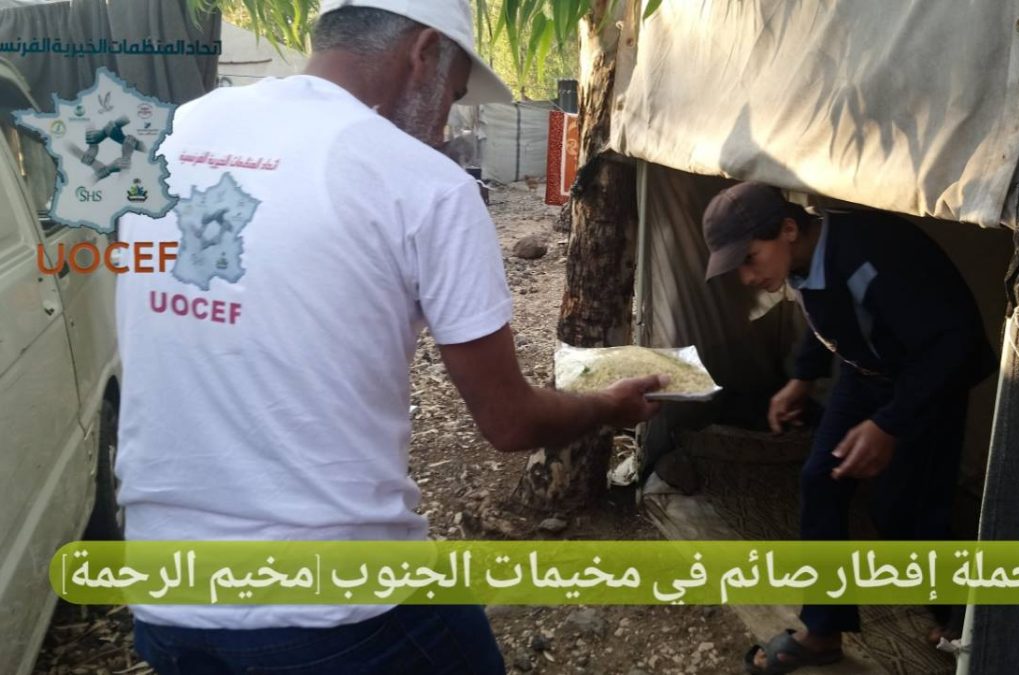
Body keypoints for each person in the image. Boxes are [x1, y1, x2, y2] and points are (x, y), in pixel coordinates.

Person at [114, 2, 667, 673]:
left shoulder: (181, 133)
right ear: (423, 54)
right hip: (333, 603)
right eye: (454, 96)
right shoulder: (425, 185)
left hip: (163, 593)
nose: (445, 124)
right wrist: (611, 404)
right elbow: (509, 419)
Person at [700, 182, 996, 674]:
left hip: (928, 380)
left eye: (750, 259)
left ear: (789, 229)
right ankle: (822, 631)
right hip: (866, 375)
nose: (748, 277)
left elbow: (954, 344)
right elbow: (828, 314)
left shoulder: (870, 257)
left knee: (904, 511)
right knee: (821, 478)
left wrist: (890, 424)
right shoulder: (800, 259)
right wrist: (801, 377)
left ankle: (965, 621)